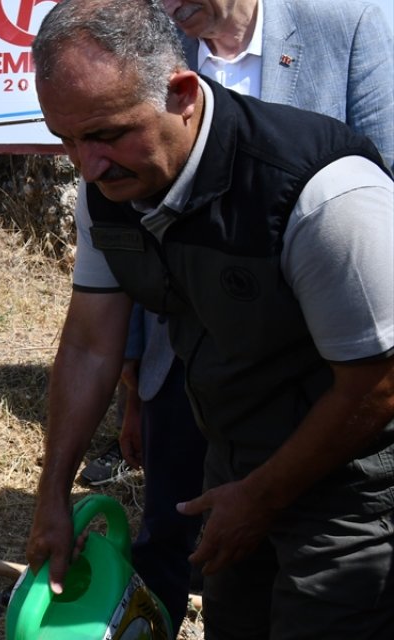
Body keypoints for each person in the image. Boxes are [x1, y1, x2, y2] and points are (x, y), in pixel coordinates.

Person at [24, 1, 394, 637]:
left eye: (107, 134)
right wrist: (53, 492)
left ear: (182, 93)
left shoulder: (322, 196)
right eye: (67, 140)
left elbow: (380, 382)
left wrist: (263, 497)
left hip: (356, 485)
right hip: (235, 472)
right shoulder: (108, 191)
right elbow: (90, 343)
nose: (88, 166)